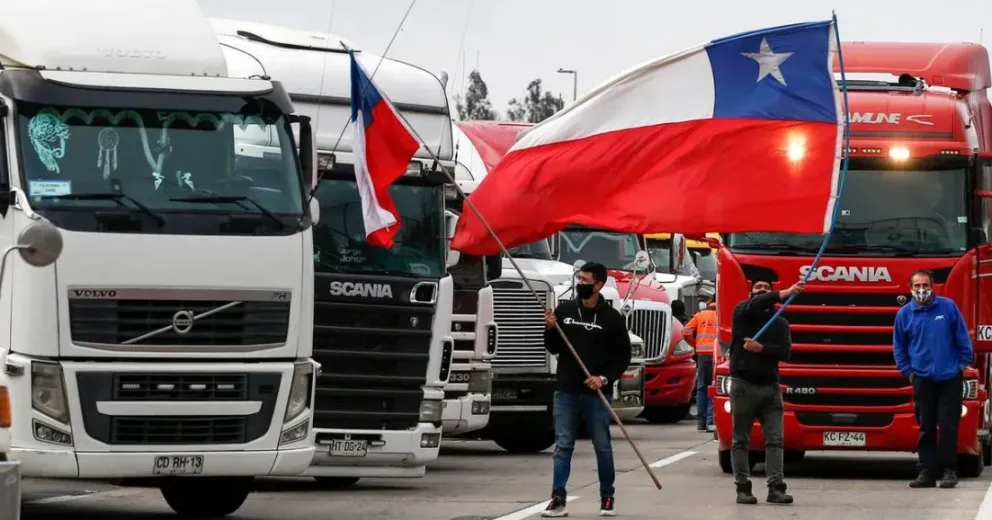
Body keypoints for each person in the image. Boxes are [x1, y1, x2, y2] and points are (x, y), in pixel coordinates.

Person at [542, 262, 632, 518]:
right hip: (566, 390)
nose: (580, 283)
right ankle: (558, 499)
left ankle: (607, 497)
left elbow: (622, 356)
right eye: (579, 278)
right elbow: (554, 347)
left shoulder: (612, 318)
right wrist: (550, 328)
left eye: (585, 280)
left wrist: (604, 378)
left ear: (598, 285)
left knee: (602, 446)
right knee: (563, 446)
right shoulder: (565, 310)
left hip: (597, 395)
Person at [894, 269, 973, 489]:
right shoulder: (904, 314)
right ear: (910, 289)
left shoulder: (948, 307)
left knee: (948, 426)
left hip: (949, 378)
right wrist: (908, 372)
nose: (921, 290)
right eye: (917, 286)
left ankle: (949, 471)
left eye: (925, 285)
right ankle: (926, 472)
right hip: (922, 379)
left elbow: (962, 338)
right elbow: (899, 347)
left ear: (932, 286)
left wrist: (961, 365)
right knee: (926, 426)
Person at [728, 278, 804, 505]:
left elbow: (785, 352)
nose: (762, 290)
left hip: (771, 387)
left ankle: (776, 488)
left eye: (766, 288)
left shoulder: (780, 323)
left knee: (775, 440)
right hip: (743, 384)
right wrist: (784, 292)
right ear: (751, 292)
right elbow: (756, 304)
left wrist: (761, 349)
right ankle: (743, 488)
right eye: (758, 287)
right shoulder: (742, 311)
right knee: (741, 440)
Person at [684, 294, 717, 432]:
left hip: (702, 354)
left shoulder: (700, 315)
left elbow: (685, 332)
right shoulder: (723, 315)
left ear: (710, 301)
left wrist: (695, 344)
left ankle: (701, 422)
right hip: (717, 354)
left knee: (702, 387)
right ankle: (711, 420)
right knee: (714, 386)